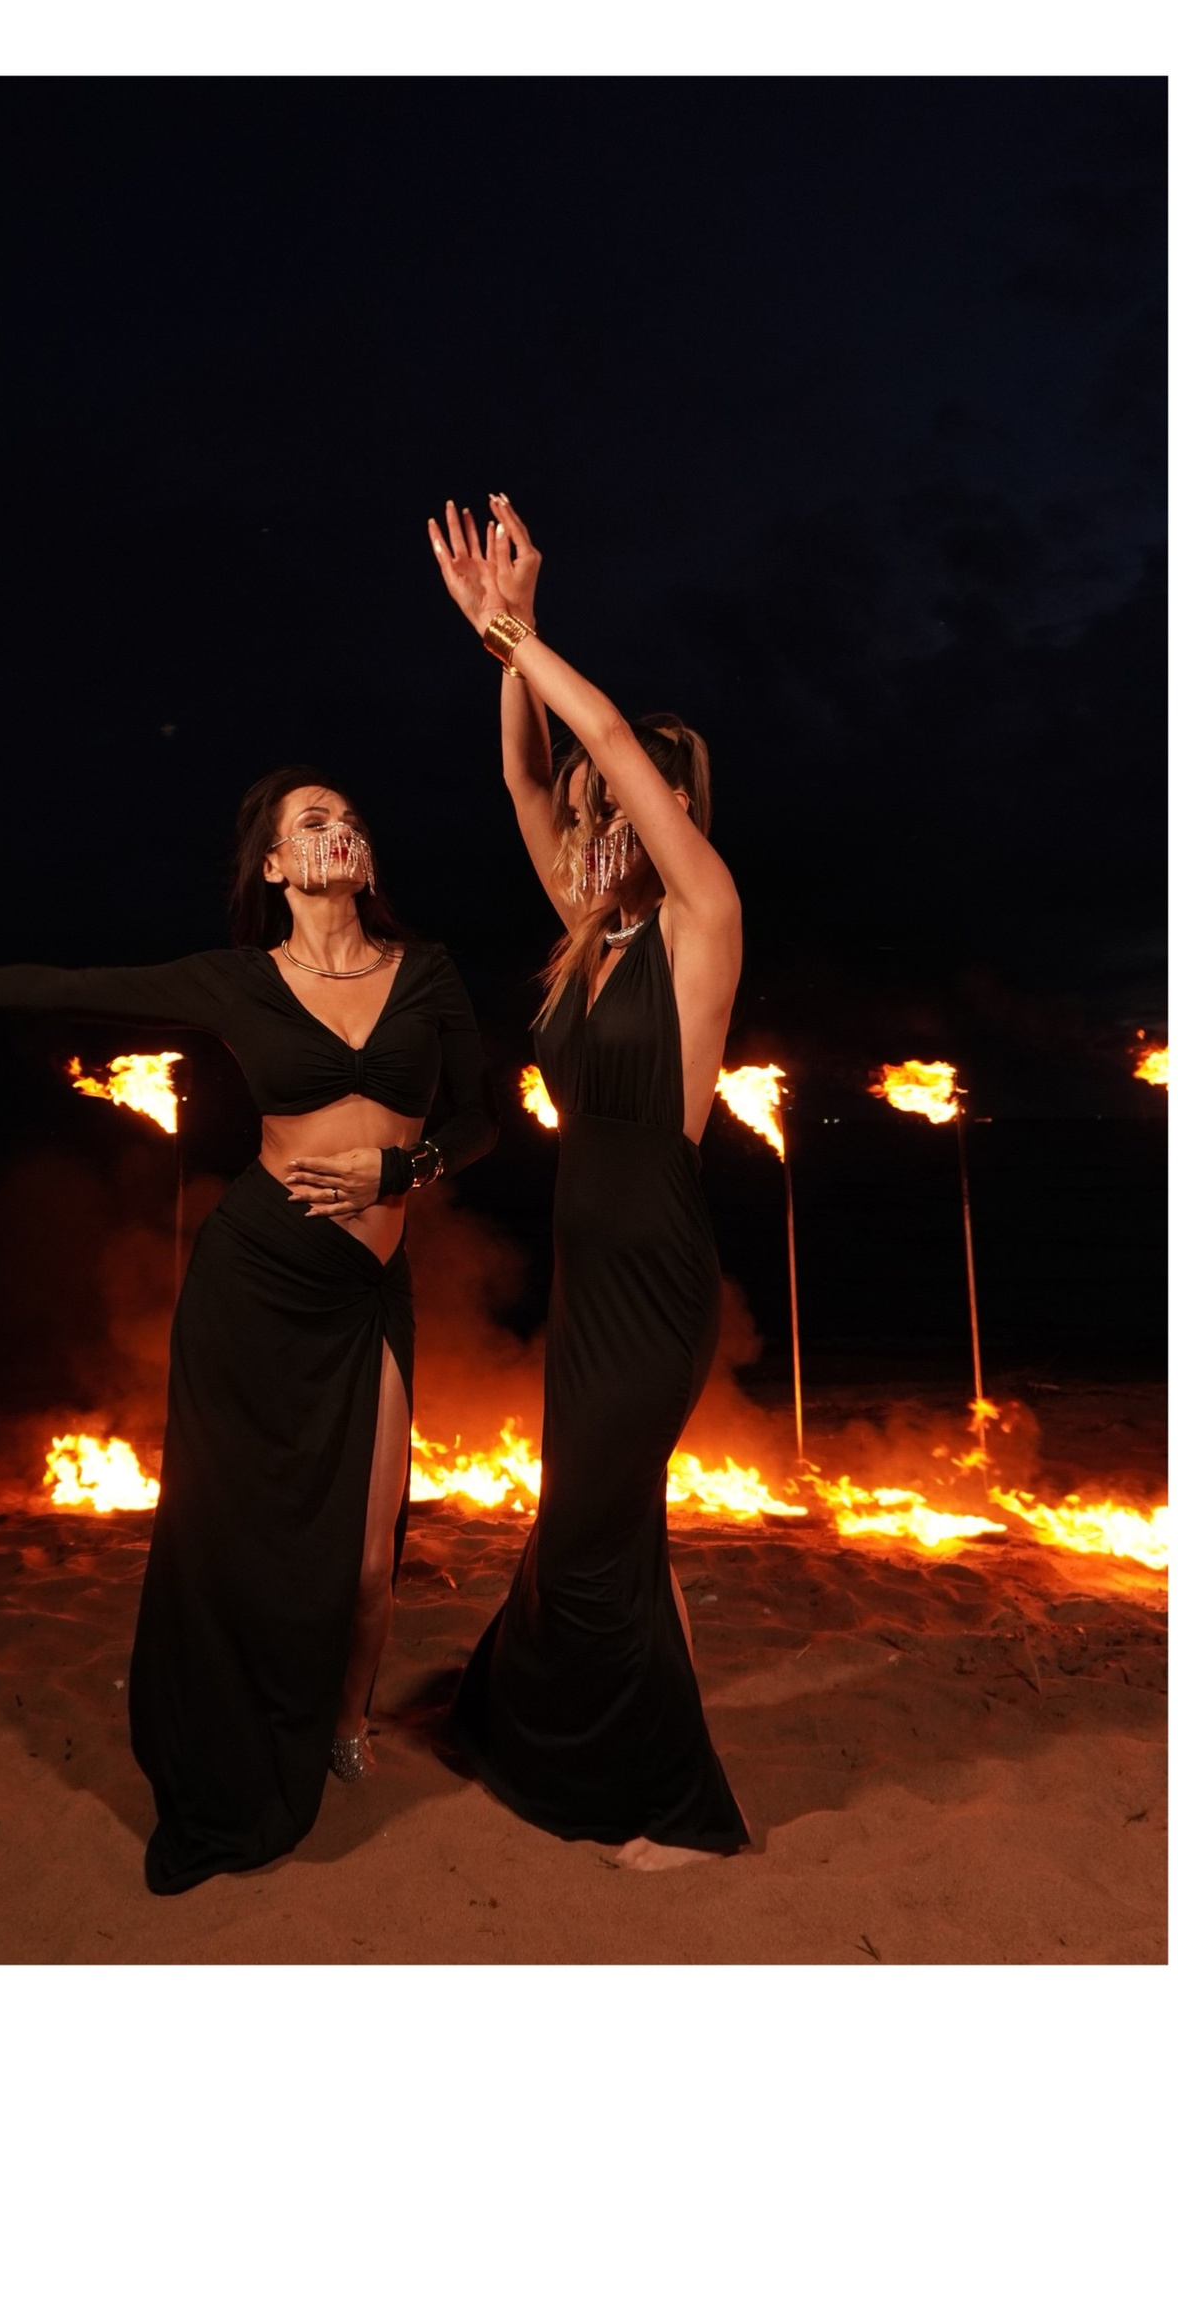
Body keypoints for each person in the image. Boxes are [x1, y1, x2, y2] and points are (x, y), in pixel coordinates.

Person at [0, 771, 496, 1894]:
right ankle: (227, 1752)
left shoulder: (426, 970)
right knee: (226, 1536)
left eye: (349, 817)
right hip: (253, 1281)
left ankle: (343, 1719)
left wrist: (403, 1166)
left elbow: (479, 1118)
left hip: (364, 1292)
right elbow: (72, 987)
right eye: (311, 822)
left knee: (368, 1561)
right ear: (275, 867)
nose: (338, 829)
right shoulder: (238, 980)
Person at [427, 494, 749, 1871]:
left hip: (659, 1277)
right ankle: (617, 1742)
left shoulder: (702, 923)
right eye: (592, 804)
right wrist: (501, 654)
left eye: (624, 800)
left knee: (592, 1530)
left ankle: (685, 1812)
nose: (596, 807)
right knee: (617, 1524)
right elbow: (525, 780)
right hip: (587, 1280)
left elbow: (604, 735)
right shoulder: (590, 941)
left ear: (670, 812)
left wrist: (525, 629)